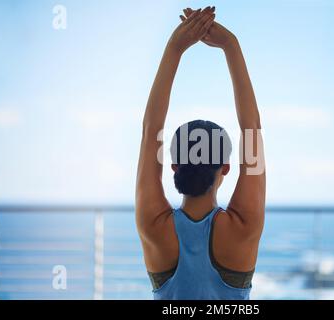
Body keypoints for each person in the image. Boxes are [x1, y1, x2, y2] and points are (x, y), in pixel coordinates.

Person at [136, 6, 265, 300]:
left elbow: (150, 130)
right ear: (225, 168)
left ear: (174, 166)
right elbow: (252, 129)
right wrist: (231, 47)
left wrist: (174, 49)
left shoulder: (154, 227)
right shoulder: (243, 228)